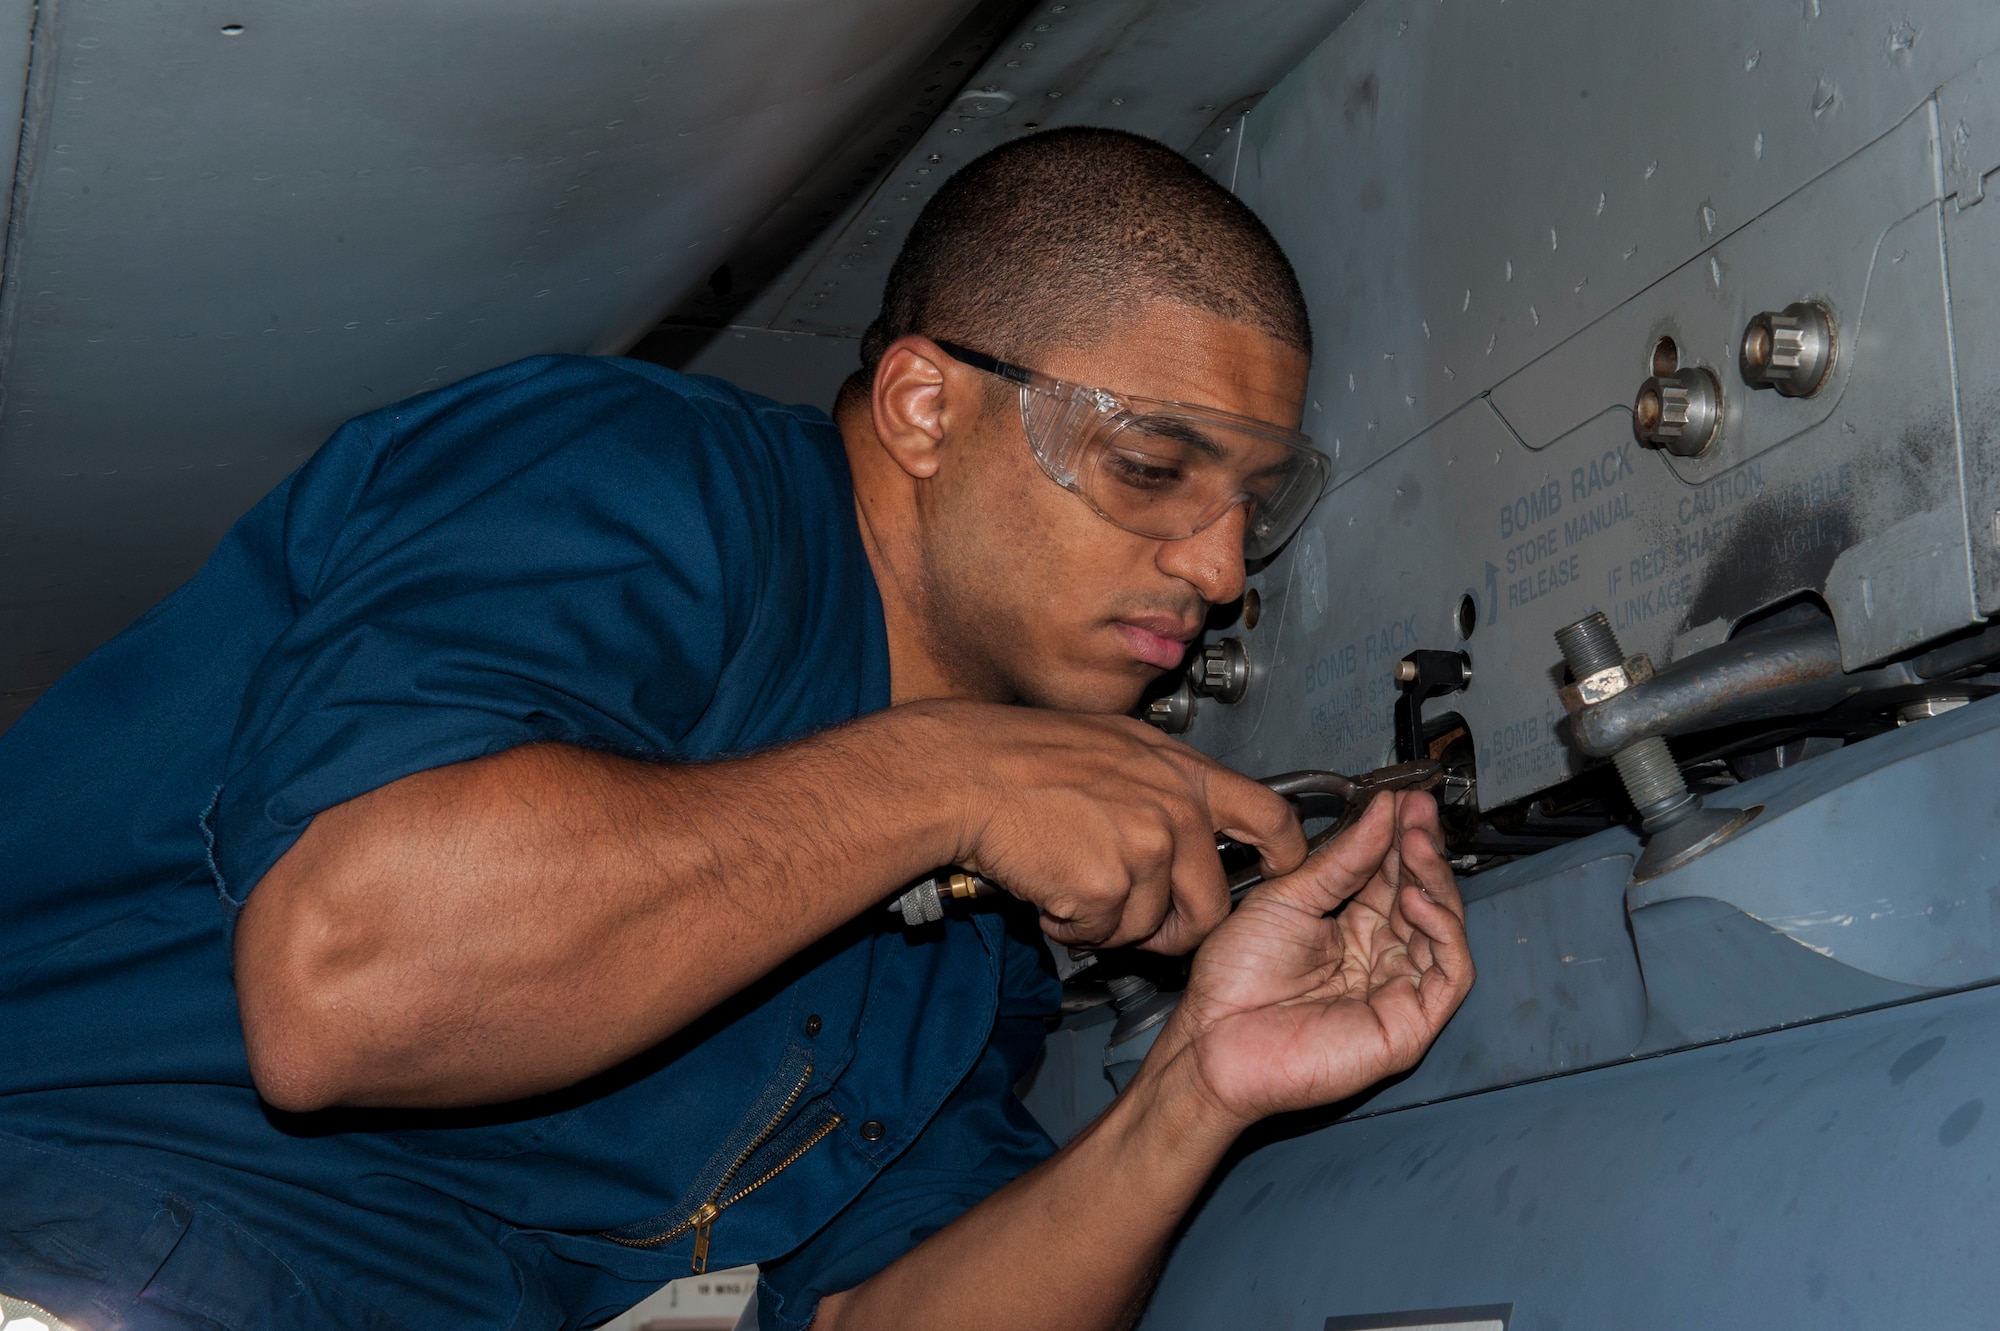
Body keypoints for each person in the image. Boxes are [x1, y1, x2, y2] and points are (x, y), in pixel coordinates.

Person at [0, 127, 1471, 1331]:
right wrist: (948, 773)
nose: (1220, 573)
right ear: (923, 409)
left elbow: (871, 1321)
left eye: (1251, 514)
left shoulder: (966, 956)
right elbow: (345, 986)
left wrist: (1197, 1089)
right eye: (1155, 467)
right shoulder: (640, 483)